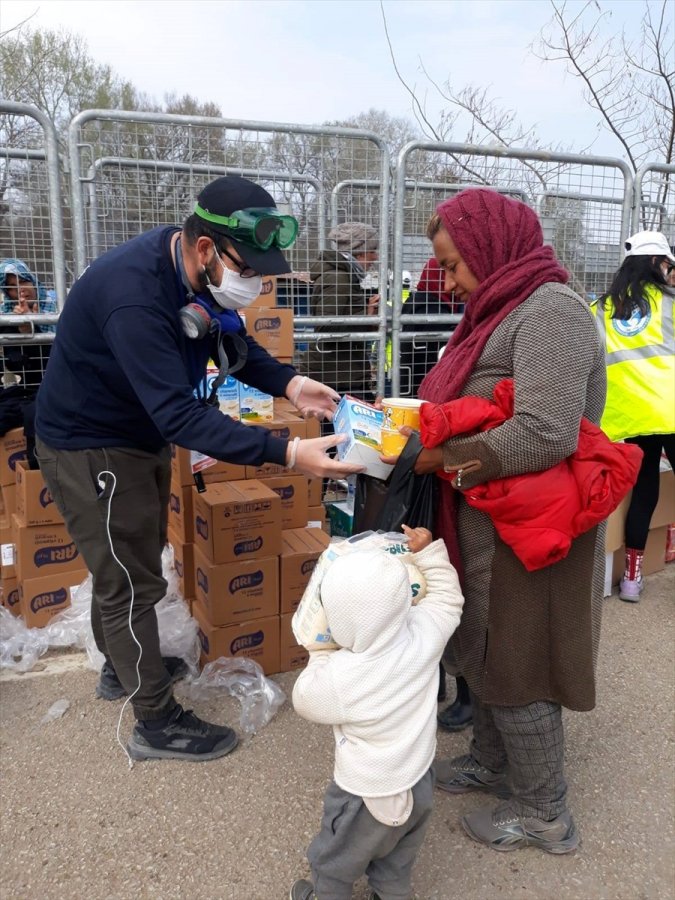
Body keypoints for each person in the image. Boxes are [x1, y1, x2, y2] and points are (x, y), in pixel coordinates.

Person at [34, 175, 364, 764]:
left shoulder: (197, 275)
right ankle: (154, 723)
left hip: (132, 439)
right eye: (249, 269)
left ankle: (122, 666)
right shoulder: (134, 295)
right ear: (207, 248)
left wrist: (291, 383)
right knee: (130, 582)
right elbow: (177, 415)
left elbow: (235, 348)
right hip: (92, 447)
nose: (256, 283)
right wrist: (288, 453)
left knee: (128, 563)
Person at [407, 188, 606, 854]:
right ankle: (495, 766)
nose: (449, 280)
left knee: (520, 660)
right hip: (490, 518)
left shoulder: (551, 312)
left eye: (455, 264)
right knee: (485, 650)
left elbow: (547, 431)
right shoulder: (499, 310)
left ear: (492, 248)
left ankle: (543, 810)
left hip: (532, 529)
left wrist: (442, 458)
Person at [290, 524, 464, 900]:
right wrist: (429, 553)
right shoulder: (425, 632)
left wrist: (321, 651)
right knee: (396, 864)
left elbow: (304, 698)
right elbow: (450, 599)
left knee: (334, 864)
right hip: (419, 782)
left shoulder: (341, 675)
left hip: (364, 795)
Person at [595, 230, 675, 602]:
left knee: (644, 492)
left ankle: (630, 580)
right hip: (671, 410)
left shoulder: (602, 308)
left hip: (630, 417)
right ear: (658, 264)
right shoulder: (671, 303)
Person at [302, 222, 380, 400]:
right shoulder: (338, 277)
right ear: (360, 252)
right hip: (335, 378)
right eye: (372, 251)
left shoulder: (345, 276)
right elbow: (325, 327)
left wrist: (367, 313)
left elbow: (340, 316)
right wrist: (366, 316)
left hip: (343, 373)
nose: (375, 257)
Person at [0, 258, 58, 390]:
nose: (20, 290)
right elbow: (20, 366)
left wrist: (32, 327)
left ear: (33, 281)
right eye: (12, 287)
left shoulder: (56, 306)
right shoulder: (7, 317)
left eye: (23, 281)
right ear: (7, 293)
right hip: (33, 390)